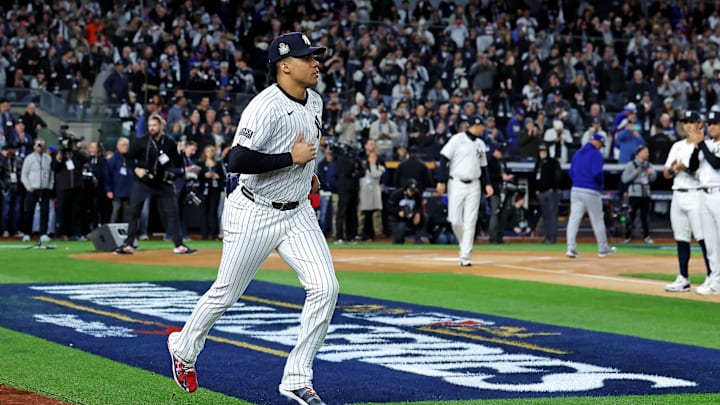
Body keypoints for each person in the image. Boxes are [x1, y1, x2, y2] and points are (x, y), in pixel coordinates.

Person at [167, 32, 338, 405]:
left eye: (316, 57)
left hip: (297, 212)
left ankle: (296, 378)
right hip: (253, 210)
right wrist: (289, 161)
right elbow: (237, 160)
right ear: (285, 65)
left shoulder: (316, 102)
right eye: (308, 58)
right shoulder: (265, 106)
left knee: (326, 288)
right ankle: (183, 346)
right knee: (226, 293)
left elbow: (300, 150)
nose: (316, 63)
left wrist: (303, 173)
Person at [113, 114, 196, 255]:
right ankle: (128, 244)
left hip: (163, 181)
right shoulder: (141, 141)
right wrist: (136, 169)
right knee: (134, 211)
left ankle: (179, 244)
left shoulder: (169, 142)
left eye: (154, 125)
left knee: (172, 212)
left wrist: (181, 153)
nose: (151, 128)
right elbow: (130, 158)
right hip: (143, 181)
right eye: (150, 125)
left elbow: (177, 163)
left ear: (161, 126)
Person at [662, 110, 711, 292]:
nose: (687, 125)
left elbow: (706, 176)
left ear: (700, 124)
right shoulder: (677, 146)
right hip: (678, 194)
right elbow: (666, 173)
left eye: (691, 121)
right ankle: (683, 277)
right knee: (681, 238)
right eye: (685, 122)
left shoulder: (705, 145)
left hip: (696, 194)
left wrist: (686, 169)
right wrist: (675, 170)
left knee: (703, 238)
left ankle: (711, 277)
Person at [435, 115, 493, 266]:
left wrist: (487, 184)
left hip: (474, 184)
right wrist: (441, 180)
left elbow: (484, 166)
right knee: (455, 221)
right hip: (456, 183)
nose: (483, 129)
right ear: (475, 126)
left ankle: (465, 255)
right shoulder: (457, 139)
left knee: (471, 221)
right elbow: (443, 158)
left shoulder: (481, 144)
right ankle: (464, 244)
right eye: (481, 126)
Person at [565, 133, 617, 258]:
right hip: (591, 190)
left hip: (576, 189)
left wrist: (578, 181)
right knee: (597, 220)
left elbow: (571, 172)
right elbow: (596, 173)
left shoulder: (578, 153)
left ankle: (571, 249)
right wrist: (601, 183)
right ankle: (603, 249)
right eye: (601, 144)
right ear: (597, 142)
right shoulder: (596, 154)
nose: (601, 147)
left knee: (573, 219)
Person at [688, 110, 720, 295]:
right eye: (710, 123)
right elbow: (692, 166)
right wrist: (696, 146)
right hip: (704, 195)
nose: (712, 126)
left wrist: (702, 145)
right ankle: (714, 280)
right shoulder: (705, 144)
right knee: (710, 242)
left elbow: (716, 163)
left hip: (718, 194)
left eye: (715, 123)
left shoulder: (709, 145)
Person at [621, 145, 657, 244]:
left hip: (645, 193)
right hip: (634, 194)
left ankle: (646, 236)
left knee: (645, 217)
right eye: (645, 152)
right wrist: (635, 173)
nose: (647, 154)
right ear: (639, 153)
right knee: (631, 216)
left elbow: (653, 179)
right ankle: (627, 236)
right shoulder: (631, 165)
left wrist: (651, 173)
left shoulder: (649, 165)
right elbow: (624, 179)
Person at [20, 139, 53, 242]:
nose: (41, 147)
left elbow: (51, 173)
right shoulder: (29, 158)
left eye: (42, 145)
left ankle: (43, 233)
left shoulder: (48, 158)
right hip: (33, 188)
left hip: (44, 188)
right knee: (29, 211)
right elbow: (24, 174)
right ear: (34, 146)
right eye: (39, 145)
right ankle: (27, 233)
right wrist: (29, 186)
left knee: (45, 211)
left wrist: (50, 185)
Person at [533, 144, 562, 243]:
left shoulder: (553, 162)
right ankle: (546, 237)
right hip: (541, 192)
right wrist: (536, 190)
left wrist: (553, 187)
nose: (542, 153)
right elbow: (534, 177)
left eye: (544, 151)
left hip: (551, 192)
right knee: (545, 215)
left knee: (552, 215)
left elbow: (558, 176)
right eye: (541, 151)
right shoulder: (538, 163)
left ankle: (552, 237)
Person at [197, 145, 225, 240]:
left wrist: (217, 176)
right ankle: (204, 235)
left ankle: (214, 235)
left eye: (211, 151)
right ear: (205, 153)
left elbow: (223, 176)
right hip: (204, 189)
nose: (210, 153)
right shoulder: (201, 163)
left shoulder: (218, 163)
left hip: (215, 189)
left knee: (213, 212)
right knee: (204, 212)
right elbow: (197, 175)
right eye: (208, 151)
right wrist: (204, 175)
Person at [359, 141, 385, 241]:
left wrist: (383, 184)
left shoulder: (380, 159)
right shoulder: (361, 158)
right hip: (364, 189)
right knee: (363, 213)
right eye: (370, 144)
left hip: (375, 189)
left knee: (375, 213)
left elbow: (383, 174)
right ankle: (363, 233)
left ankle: (376, 233)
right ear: (365, 146)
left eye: (373, 144)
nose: (372, 146)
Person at [105, 137, 134, 223]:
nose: (126, 147)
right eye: (123, 145)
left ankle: (126, 232)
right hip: (116, 191)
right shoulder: (112, 160)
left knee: (127, 213)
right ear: (118, 146)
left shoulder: (131, 159)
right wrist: (108, 190)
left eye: (127, 145)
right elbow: (108, 176)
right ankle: (112, 231)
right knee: (116, 211)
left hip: (129, 191)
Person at [387, 179, 424, 243]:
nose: (412, 193)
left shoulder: (417, 195)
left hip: (411, 216)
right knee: (398, 240)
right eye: (410, 190)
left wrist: (418, 213)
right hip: (398, 218)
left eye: (413, 191)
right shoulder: (397, 194)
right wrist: (398, 212)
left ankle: (418, 239)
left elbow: (419, 206)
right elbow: (389, 207)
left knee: (424, 217)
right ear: (406, 188)